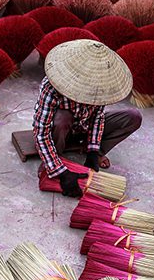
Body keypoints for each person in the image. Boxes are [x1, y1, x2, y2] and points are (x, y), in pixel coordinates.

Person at [33, 39, 142, 197]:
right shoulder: (51, 87)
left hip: (83, 128)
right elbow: (40, 133)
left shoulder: (101, 85)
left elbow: (98, 118)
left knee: (133, 117)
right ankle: (55, 160)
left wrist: (93, 151)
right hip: (59, 131)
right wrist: (61, 173)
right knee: (63, 118)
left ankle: (96, 153)